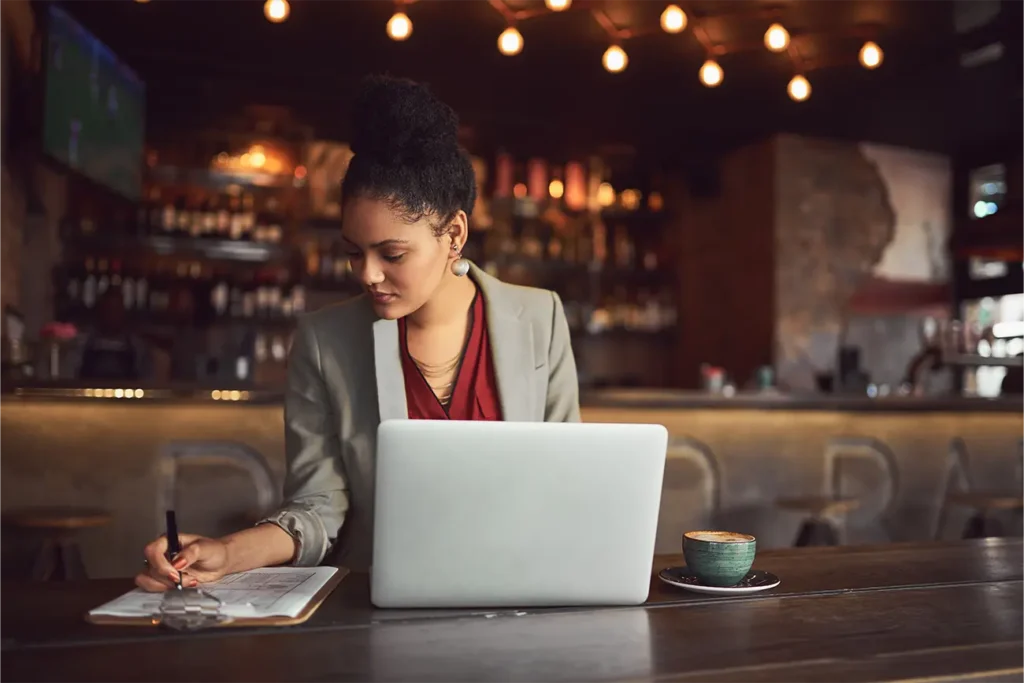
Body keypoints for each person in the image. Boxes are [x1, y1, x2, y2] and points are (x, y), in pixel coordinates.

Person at [135, 75, 581, 591]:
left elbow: (563, 484)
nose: (366, 274)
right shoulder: (325, 342)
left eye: (391, 255)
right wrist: (227, 553)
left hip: (523, 592)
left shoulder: (540, 319)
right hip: (381, 604)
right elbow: (317, 508)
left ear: (454, 234)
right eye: (353, 252)